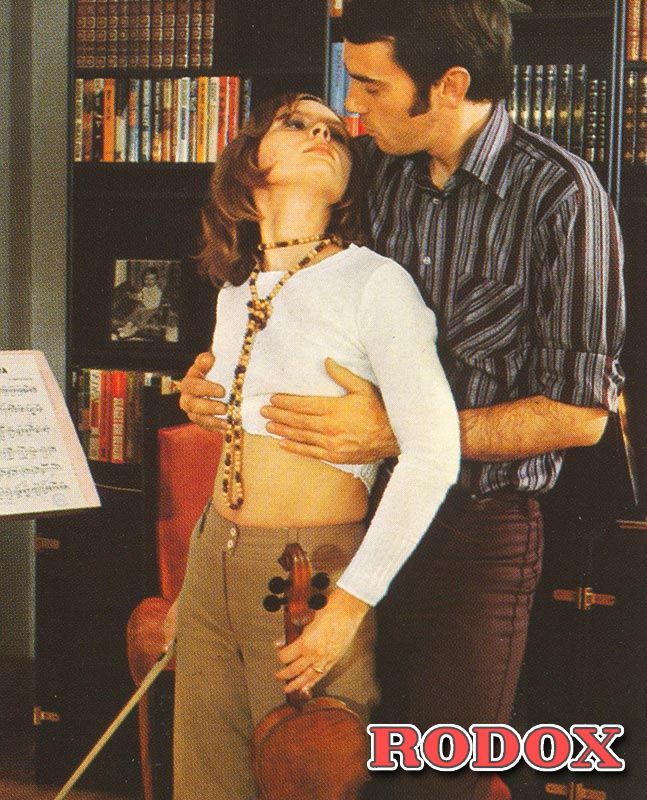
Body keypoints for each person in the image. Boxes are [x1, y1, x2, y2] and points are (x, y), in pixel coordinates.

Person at [179, 2, 625, 797]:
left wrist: (398, 435)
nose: (351, 108)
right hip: (343, 527)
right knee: (324, 764)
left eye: (370, 86)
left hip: (473, 536)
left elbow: (579, 414)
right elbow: (299, 301)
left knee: (433, 776)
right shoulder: (373, 169)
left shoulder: (559, 193)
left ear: (446, 85)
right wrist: (217, 388)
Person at [169, 92, 460, 800]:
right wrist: (193, 588)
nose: (321, 135)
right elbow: (238, 437)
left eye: (334, 130)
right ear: (249, 161)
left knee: (304, 777)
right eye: (295, 123)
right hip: (213, 562)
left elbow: (434, 454)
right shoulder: (234, 290)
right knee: (204, 785)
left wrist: (350, 607)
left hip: (311, 577)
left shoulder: (375, 283)